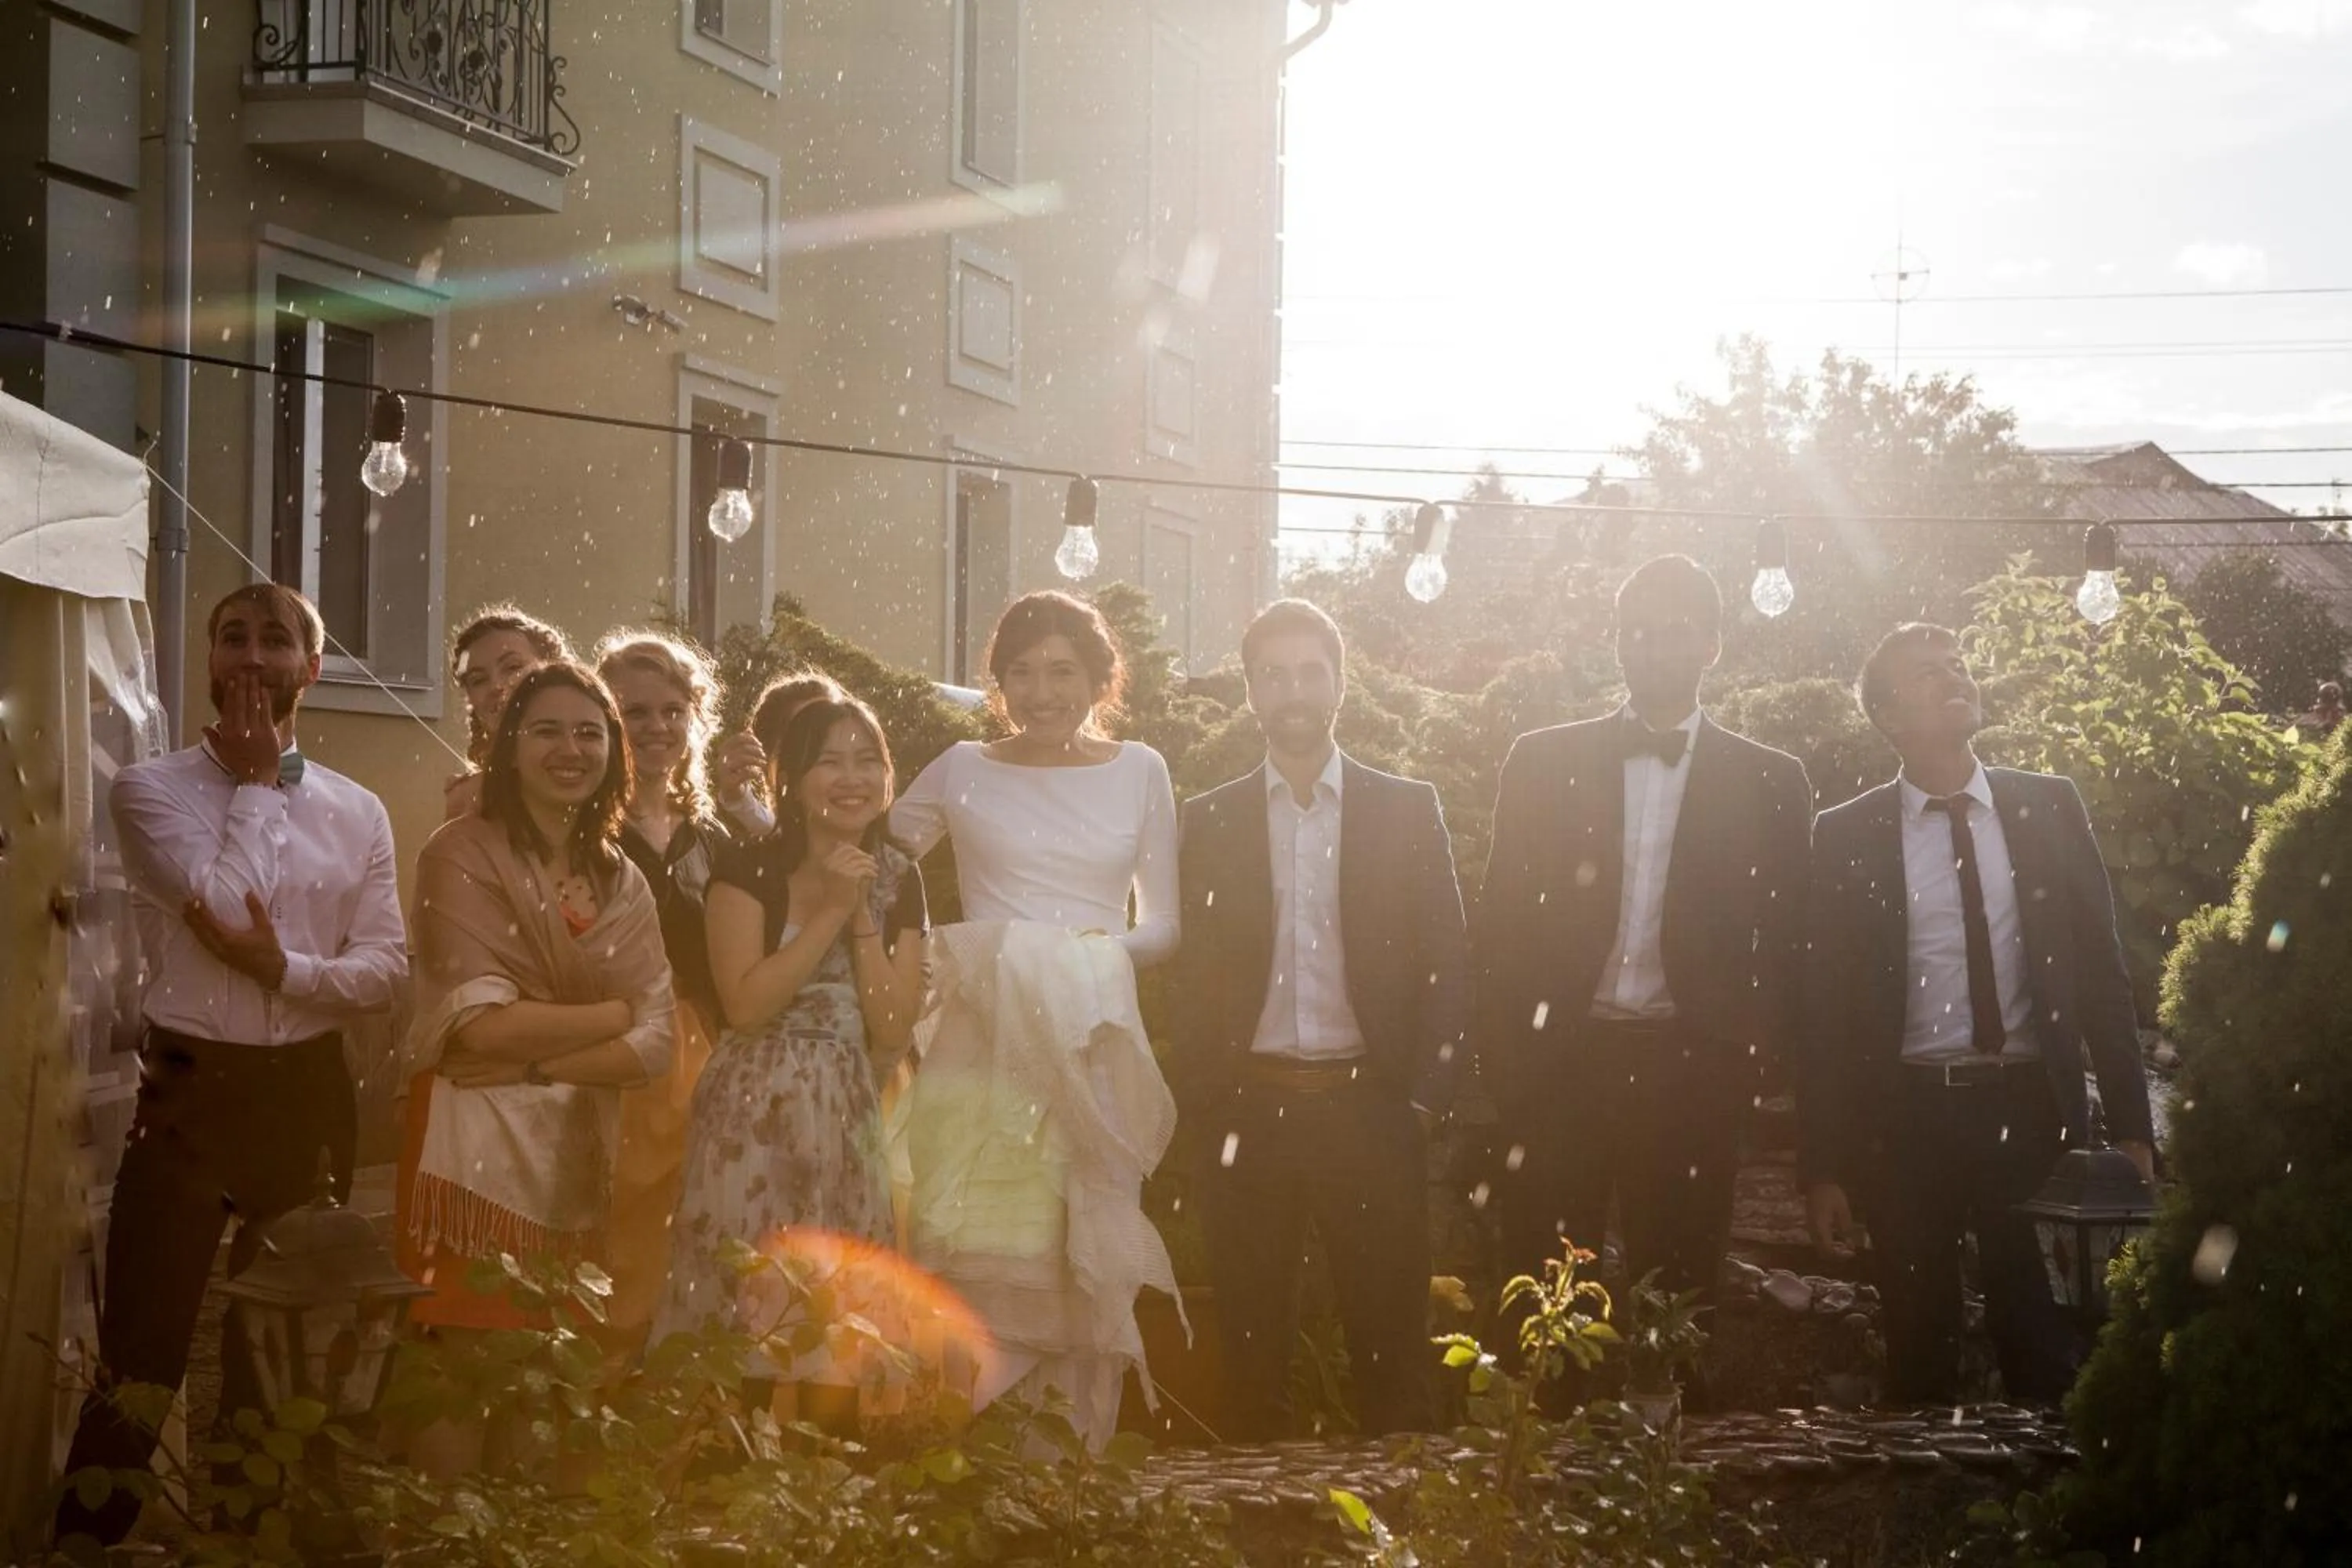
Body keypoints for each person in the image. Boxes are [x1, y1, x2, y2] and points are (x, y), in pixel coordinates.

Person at [55, 584, 406, 1549]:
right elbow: (220, 899)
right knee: (144, 1347)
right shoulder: (151, 788)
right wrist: (254, 781)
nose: (254, 657)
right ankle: (85, 1542)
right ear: (208, 661)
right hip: (187, 1087)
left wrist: (284, 968)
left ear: (314, 667)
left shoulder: (358, 807)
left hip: (305, 1092)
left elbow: (384, 971)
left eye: (278, 639)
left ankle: (240, 1538)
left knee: (277, 1348)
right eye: (234, 637)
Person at [1798, 622, 2157, 1403]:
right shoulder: (1847, 833)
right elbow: (1826, 1012)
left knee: (2042, 1337)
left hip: (2032, 1114)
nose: (1954, 677)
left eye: (1958, 664)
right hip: (1904, 1121)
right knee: (1918, 1344)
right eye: (1928, 673)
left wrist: (2132, 1126)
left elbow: (2102, 977)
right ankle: (1928, 1516)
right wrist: (1822, 1163)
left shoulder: (2049, 805)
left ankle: (2045, 1518)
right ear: (1888, 716)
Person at [1478, 555, 1813, 1324]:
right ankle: (1549, 1447)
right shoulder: (1541, 760)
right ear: (1617, 642)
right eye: (1639, 632)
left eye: (1676, 632)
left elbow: (1791, 943)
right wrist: (1510, 1069)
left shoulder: (1771, 780)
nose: (1656, 647)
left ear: (1712, 647)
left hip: (1694, 1076)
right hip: (1562, 1067)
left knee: (1681, 1306)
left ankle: (1671, 1444)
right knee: (1547, 1309)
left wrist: (1751, 1065)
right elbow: (1497, 925)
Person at [888, 590, 1182, 1449]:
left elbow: (1164, 923)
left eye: (1062, 670)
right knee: (978, 1242)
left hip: (1090, 1041)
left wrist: (1084, 960)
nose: (1042, 689)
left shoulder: (1141, 768)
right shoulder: (960, 764)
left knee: (1079, 1253)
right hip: (981, 1045)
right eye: (1021, 671)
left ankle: (1068, 1478)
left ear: (1099, 676)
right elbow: (867, 860)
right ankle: (972, 1476)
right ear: (998, 681)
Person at [1173, 599, 1468, 1439]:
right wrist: (1204, 1096)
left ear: (1340, 681)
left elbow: (1449, 963)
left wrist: (1422, 1101)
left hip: (1371, 1110)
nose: (1293, 690)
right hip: (1247, 1113)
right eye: (1274, 675)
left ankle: (1397, 1539)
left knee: (1391, 1359)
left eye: (1310, 671)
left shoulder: (1407, 809)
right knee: (1251, 1357)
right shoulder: (1211, 818)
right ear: (1251, 691)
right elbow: (1191, 971)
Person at [652, 695, 927, 1424]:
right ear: (793, 778)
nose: (852, 777)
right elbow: (745, 1004)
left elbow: (893, 1024)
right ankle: (724, 1493)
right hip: (753, 1105)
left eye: (868, 759)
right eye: (829, 760)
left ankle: (825, 1505)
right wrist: (832, 908)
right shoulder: (747, 868)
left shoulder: (902, 875)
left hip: (845, 1105)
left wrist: (863, 908)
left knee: (838, 1318)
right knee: (740, 1308)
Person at [397, 662, 675, 1343]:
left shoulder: (622, 879)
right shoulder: (460, 853)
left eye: (589, 733)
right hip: (469, 1156)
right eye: (545, 731)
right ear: (508, 747)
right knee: (462, 1366)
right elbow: (480, 1029)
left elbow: (659, 1043)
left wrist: (537, 1069)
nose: (570, 750)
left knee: (550, 1365)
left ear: (613, 752)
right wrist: (613, 1017)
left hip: (572, 1157)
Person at [590, 632, 775, 1343]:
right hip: (615, 1047)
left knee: (699, 1225)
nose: (657, 728)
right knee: (620, 1226)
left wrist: (745, 804)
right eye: (636, 713)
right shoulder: (588, 830)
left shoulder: (714, 835)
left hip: (706, 1052)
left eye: (673, 711)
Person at [445, 605, 572, 821]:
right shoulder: (470, 800)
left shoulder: (599, 764)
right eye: (478, 680)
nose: (496, 686)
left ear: (555, 669)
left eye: (513, 667)